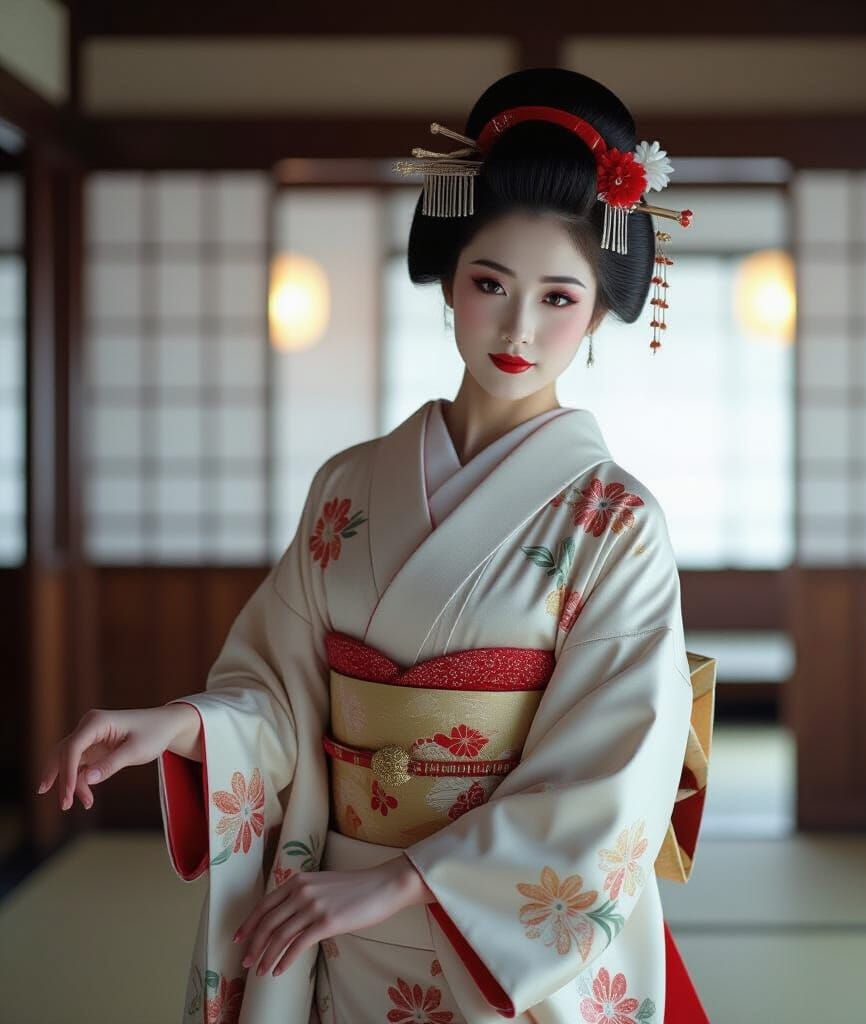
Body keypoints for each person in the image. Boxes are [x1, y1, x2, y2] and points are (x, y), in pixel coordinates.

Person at [37, 68, 713, 1023]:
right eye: (491, 283)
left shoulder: (618, 525)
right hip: (337, 920)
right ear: (448, 281)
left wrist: (403, 882)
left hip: (500, 937)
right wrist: (185, 728)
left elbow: (616, 773)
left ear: (599, 312)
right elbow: (281, 691)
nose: (519, 327)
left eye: (558, 297)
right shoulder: (349, 488)